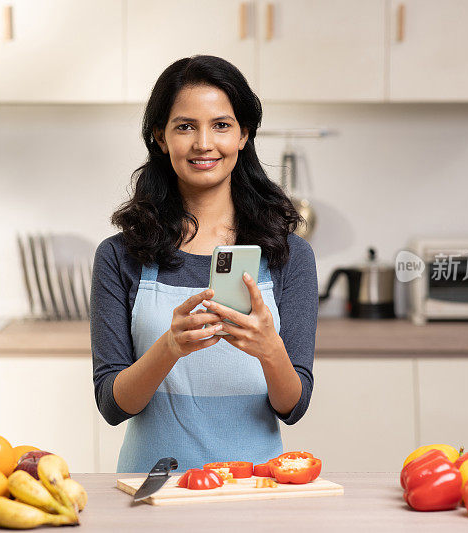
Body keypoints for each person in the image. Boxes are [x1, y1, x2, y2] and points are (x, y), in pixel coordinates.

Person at [90, 55, 318, 473]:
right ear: (160, 137)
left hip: (254, 489)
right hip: (152, 487)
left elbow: (293, 406)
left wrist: (270, 349)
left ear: (244, 135)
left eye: (221, 125)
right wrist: (169, 347)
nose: (203, 143)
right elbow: (112, 404)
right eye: (184, 126)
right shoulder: (120, 255)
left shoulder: (289, 256)